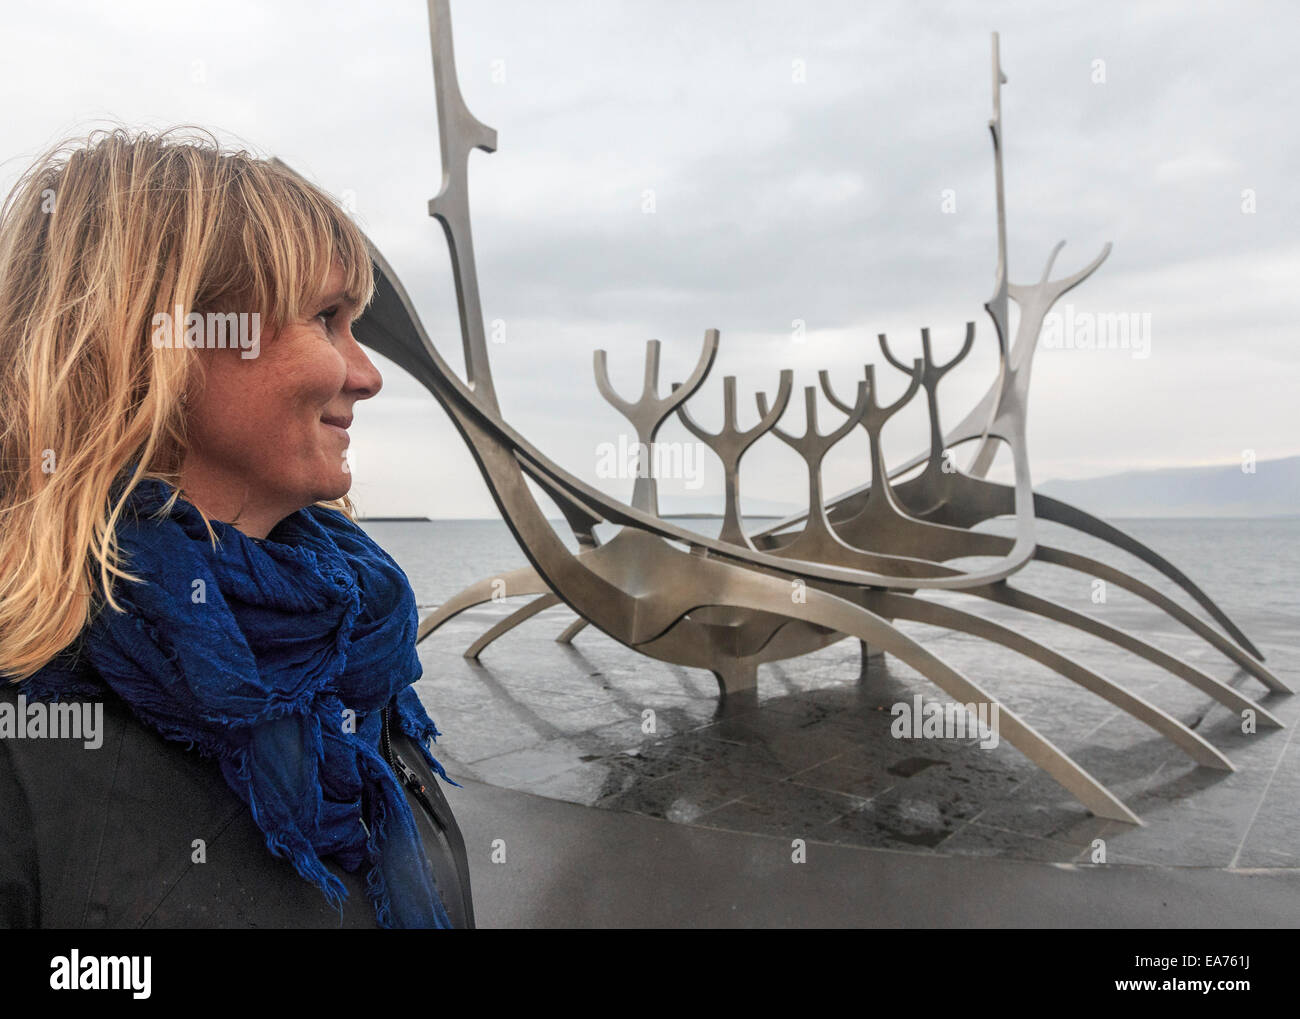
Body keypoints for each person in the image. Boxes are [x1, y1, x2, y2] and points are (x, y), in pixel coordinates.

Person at [0, 126, 474, 928]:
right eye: (327, 319)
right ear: (163, 342)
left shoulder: (352, 642)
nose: (368, 374)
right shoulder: (28, 744)